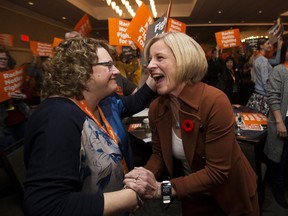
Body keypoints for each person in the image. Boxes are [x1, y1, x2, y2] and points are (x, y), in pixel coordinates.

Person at [124, 32, 259, 216]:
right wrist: (142, 178)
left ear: (183, 60)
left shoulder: (214, 101)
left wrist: (160, 189)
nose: (150, 66)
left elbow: (216, 172)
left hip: (231, 197)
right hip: (191, 196)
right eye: (149, 59)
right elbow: (159, 155)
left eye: (160, 58)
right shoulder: (157, 107)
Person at [23, 37, 155, 216]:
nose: (116, 71)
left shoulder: (104, 103)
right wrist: (132, 197)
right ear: (81, 72)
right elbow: (48, 206)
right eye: (108, 65)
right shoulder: (57, 118)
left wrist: (154, 76)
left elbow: (134, 102)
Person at [264, 39, 288, 208]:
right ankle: (277, 186)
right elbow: (273, 97)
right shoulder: (279, 70)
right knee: (281, 156)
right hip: (283, 119)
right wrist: (279, 122)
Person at [246, 38, 274, 115]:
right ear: (261, 46)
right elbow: (265, 80)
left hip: (258, 92)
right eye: (268, 44)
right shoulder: (263, 60)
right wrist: (271, 96)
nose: (270, 45)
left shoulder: (256, 58)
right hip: (263, 94)